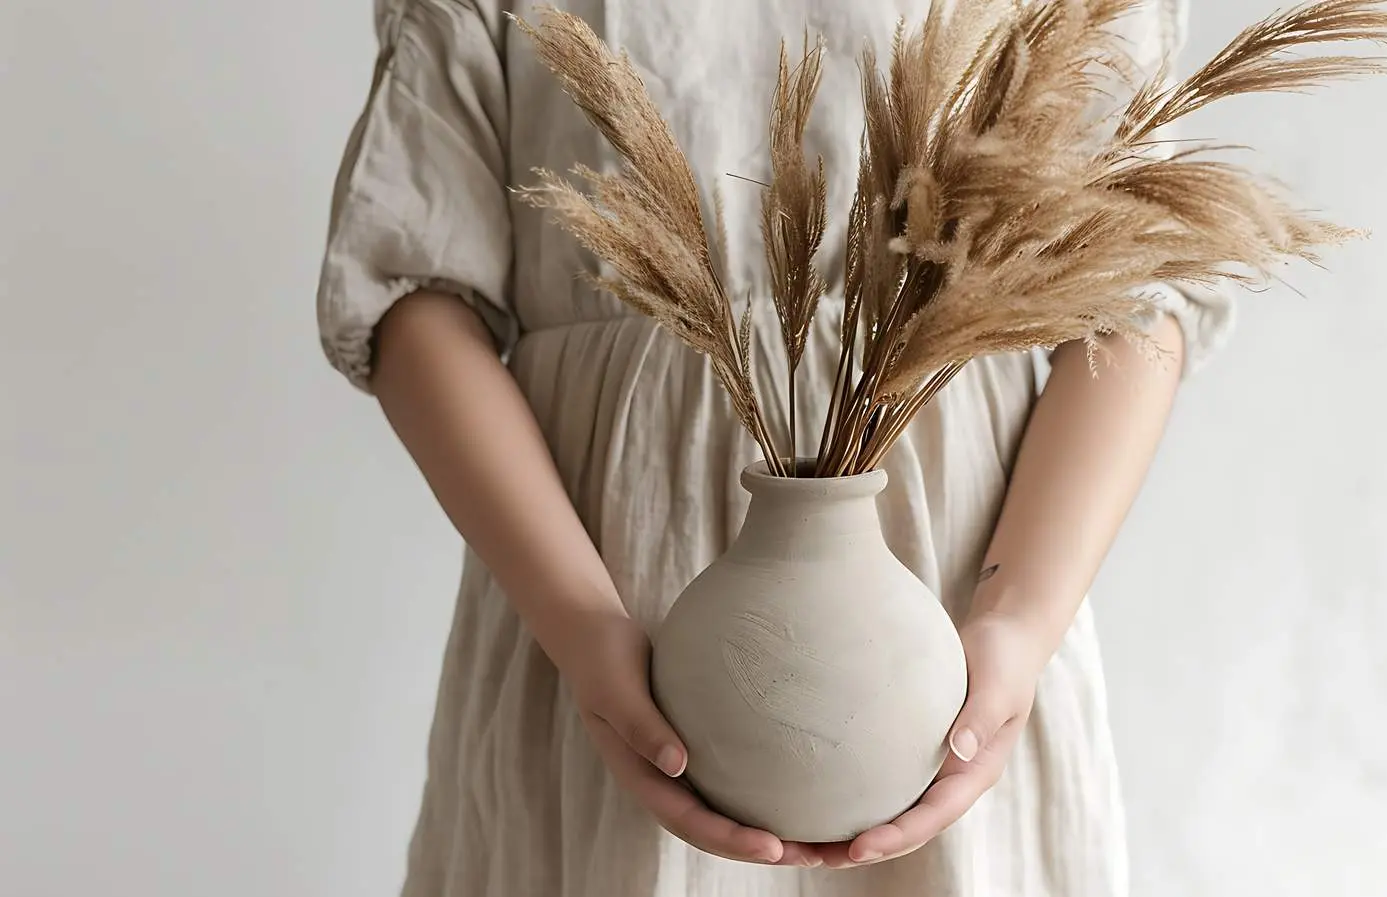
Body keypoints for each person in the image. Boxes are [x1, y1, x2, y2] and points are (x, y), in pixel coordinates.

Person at [315, 1, 1232, 894]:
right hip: (598, 609)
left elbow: (1135, 291)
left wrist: (1019, 621)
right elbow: (415, 286)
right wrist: (587, 632)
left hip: (958, 625)